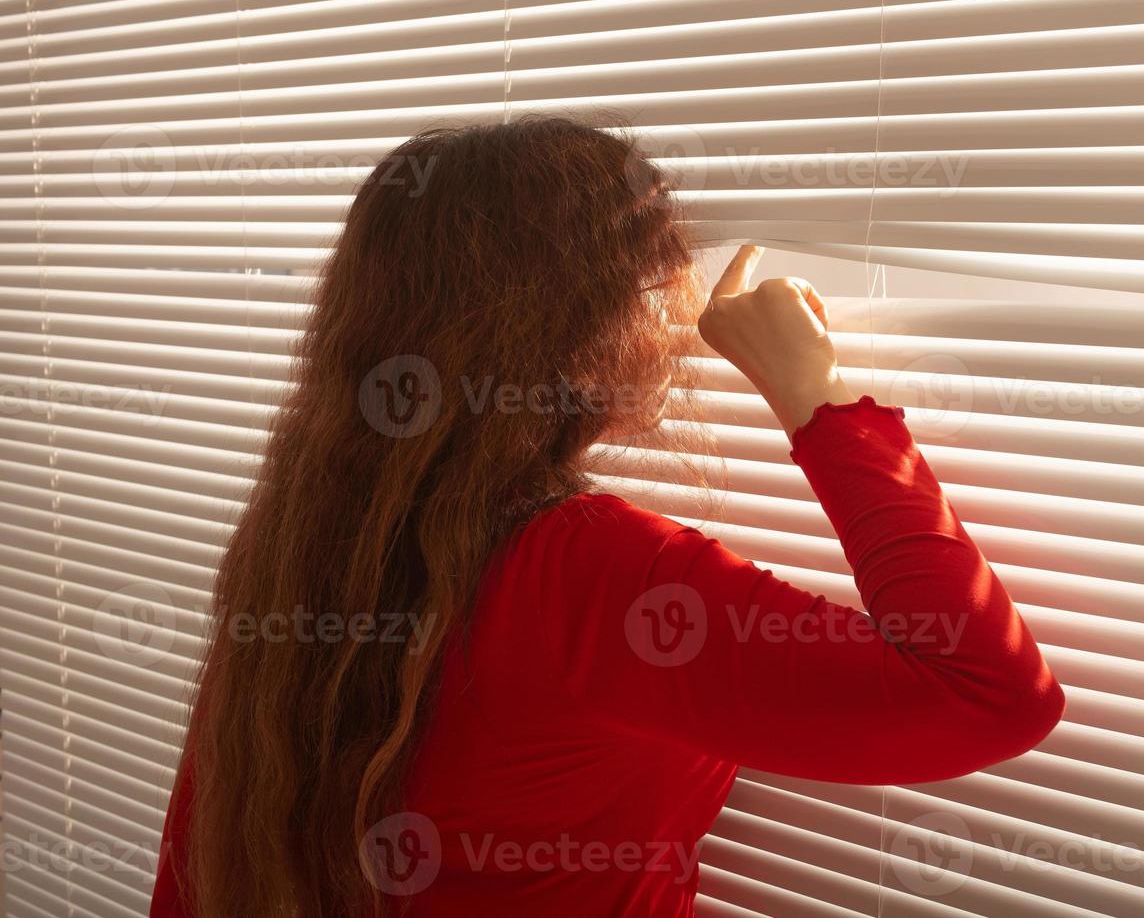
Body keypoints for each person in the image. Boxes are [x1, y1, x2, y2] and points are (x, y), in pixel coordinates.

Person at [148, 117, 1064, 918]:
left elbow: (199, 867)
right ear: (581, 318)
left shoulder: (312, 536)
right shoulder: (584, 573)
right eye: (660, 272)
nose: (676, 307)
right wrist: (818, 398)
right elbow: (989, 694)